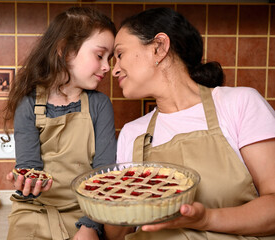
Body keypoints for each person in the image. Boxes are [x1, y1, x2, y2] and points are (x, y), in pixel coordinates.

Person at [105, 7, 275, 240]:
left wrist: (207, 219)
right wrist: (113, 198)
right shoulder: (132, 134)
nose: (113, 70)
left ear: (159, 47)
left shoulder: (238, 104)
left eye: (120, 54)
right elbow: (116, 235)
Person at [0, 7, 117, 240]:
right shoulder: (29, 105)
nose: (107, 67)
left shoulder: (100, 106)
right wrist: (27, 182)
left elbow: (104, 175)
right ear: (65, 51)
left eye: (109, 58)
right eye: (99, 55)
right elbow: (30, 165)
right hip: (34, 211)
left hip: (86, 212)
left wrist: (90, 226)